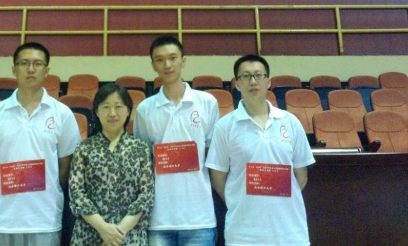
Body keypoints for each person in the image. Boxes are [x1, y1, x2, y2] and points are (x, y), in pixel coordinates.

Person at [0, 42, 81, 246]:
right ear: (14, 69)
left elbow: (65, 170)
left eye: (37, 64)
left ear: (46, 70)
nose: (31, 69)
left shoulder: (62, 114)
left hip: (44, 220)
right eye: (24, 63)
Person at [206, 54, 316, 246]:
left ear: (268, 82)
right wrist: (241, 201)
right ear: (237, 84)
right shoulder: (224, 126)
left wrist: (276, 198)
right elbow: (218, 180)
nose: (253, 81)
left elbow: (301, 176)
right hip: (243, 235)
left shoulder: (290, 122)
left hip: (290, 233)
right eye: (245, 76)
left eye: (258, 75)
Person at [133, 36, 219, 246]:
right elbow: (144, 161)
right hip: (159, 219)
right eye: (160, 60)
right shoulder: (145, 109)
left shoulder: (207, 102)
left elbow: (213, 156)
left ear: (183, 61)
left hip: (199, 217)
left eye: (173, 58)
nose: (167, 65)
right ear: (153, 65)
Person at [69, 83, 154, 246]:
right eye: (106, 107)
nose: (112, 113)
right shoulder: (84, 148)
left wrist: (117, 234)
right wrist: (104, 229)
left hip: (129, 237)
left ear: (128, 110)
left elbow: (146, 195)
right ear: (96, 111)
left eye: (119, 107)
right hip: (89, 235)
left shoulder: (140, 148)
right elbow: (76, 193)